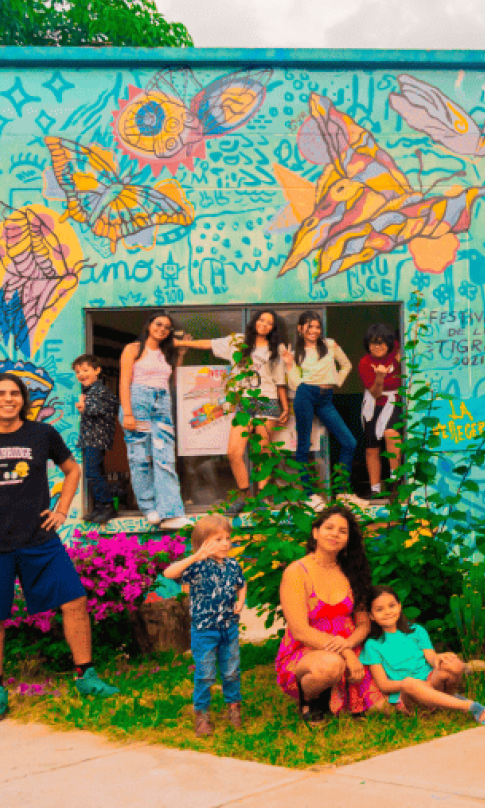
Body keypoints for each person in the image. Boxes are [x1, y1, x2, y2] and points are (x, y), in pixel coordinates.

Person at [0, 373, 119, 723]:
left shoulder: (42, 434)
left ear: (23, 401)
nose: (8, 399)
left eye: (15, 393)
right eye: (0, 393)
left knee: (75, 601)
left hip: (39, 539)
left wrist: (62, 510)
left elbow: (72, 470)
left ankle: (86, 675)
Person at [275, 505, 384, 721]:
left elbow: (363, 624)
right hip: (307, 650)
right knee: (331, 665)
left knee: (383, 708)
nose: (335, 534)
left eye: (342, 531)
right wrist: (345, 653)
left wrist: (349, 645)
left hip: (350, 644)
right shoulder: (297, 572)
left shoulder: (353, 570)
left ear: (348, 540)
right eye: (329, 527)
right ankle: (311, 701)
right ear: (315, 532)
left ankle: (340, 698)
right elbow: (300, 630)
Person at [179, 310, 289, 514]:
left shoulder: (277, 348)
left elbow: (280, 380)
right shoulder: (238, 342)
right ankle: (245, 496)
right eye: (261, 320)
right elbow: (209, 344)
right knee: (234, 452)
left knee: (263, 453)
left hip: (267, 400)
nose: (264, 324)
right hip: (244, 401)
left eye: (269, 323)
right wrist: (180, 343)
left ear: (273, 328)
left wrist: (285, 407)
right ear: (254, 321)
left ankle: (261, 499)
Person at [163, 515, 246, 737]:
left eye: (227, 538)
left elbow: (241, 584)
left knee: (231, 671)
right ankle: (201, 713)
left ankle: (234, 708)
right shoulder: (196, 566)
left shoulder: (232, 565)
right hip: (204, 631)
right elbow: (169, 573)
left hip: (228, 629)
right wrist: (196, 556)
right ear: (202, 543)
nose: (225, 543)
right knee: (205, 673)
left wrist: (240, 601)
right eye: (218, 539)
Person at [362, 585, 485, 724]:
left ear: (400, 606)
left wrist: (439, 658)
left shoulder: (416, 630)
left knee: (453, 664)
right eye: (379, 609)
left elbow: (431, 657)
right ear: (371, 616)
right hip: (409, 695)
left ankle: (442, 702)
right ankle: (470, 707)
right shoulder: (372, 645)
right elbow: (383, 685)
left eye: (391, 606)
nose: (387, 612)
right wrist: (417, 684)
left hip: (432, 682)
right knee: (409, 683)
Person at [119, 312, 190, 530]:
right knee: (140, 457)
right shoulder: (133, 348)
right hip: (138, 401)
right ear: (149, 325)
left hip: (162, 402)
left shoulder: (166, 352)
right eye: (159, 324)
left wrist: (181, 354)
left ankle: (171, 512)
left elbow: (170, 380)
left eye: (167, 327)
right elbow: (124, 381)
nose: (162, 329)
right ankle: (149, 507)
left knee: (165, 458)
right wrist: (128, 413)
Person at [282, 310, 356, 491]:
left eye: (317, 327)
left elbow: (346, 365)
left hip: (326, 398)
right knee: (304, 446)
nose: (314, 331)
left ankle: (342, 491)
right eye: (310, 327)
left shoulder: (329, 344)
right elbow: (294, 384)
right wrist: (289, 364)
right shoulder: (296, 353)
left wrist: (336, 380)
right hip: (305, 394)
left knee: (349, 442)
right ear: (300, 328)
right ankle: (308, 493)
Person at [72, 354, 120, 525]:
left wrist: (84, 407)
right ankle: (99, 507)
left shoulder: (100, 390)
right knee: (94, 473)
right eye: (78, 372)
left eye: (85, 370)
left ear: (97, 370)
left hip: (96, 438)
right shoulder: (90, 391)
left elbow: (106, 408)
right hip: (91, 438)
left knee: (92, 473)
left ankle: (107, 505)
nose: (81, 374)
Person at [358, 323, 403, 497]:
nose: (377, 346)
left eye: (381, 342)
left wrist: (402, 358)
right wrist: (379, 378)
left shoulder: (396, 351)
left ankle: (395, 481)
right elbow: (375, 393)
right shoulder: (364, 363)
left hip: (394, 402)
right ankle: (375, 489)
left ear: (389, 343)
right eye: (373, 343)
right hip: (373, 404)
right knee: (372, 448)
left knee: (391, 433)